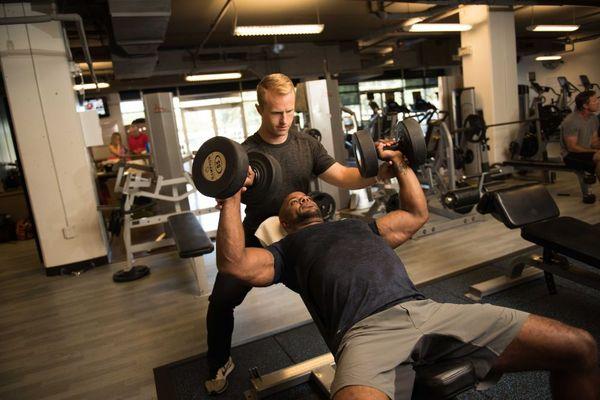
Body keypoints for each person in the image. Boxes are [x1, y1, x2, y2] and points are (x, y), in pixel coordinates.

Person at [215, 142, 600, 400]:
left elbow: (416, 213)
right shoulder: (285, 250)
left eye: (304, 195)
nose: (300, 197)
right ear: (283, 222)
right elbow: (233, 262)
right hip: (364, 334)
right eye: (291, 201)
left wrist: (398, 162)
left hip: (427, 309)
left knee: (580, 347)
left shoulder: (357, 225)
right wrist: (232, 194)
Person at [204, 73, 393, 394]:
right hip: (258, 238)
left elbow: (345, 176)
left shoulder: (306, 143)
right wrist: (232, 189)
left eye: (290, 111)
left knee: (332, 290)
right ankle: (219, 361)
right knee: (221, 299)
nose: (284, 120)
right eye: (277, 112)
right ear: (260, 109)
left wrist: (381, 172)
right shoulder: (246, 153)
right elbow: (225, 196)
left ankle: (359, 359)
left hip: (301, 239)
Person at [560, 90, 600, 178]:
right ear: (585, 105)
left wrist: (597, 147)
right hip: (570, 155)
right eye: (594, 101)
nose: (598, 102)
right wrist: (595, 151)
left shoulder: (593, 118)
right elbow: (572, 148)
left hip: (587, 152)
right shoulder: (571, 121)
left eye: (597, 99)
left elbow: (594, 142)